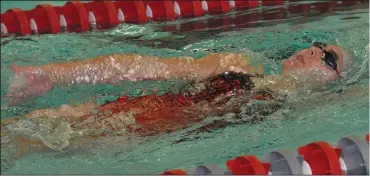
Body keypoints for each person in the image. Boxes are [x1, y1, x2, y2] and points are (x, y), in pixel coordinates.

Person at [1, 42, 355, 167]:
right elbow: (141, 68)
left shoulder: (301, 108)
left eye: (327, 59)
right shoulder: (238, 64)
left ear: (333, 84)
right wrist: (55, 75)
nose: (313, 50)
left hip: (131, 141)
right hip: (114, 122)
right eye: (319, 45)